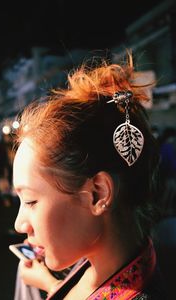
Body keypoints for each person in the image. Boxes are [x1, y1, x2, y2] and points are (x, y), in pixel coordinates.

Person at [12, 52, 166, 299]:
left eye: (30, 201)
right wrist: (52, 286)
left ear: (97, 194)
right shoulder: (108, 263)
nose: (20, 224)